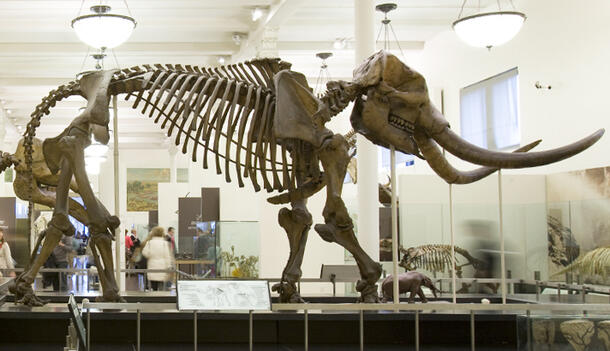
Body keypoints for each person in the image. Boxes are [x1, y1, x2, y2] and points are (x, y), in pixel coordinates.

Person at [142, 226, 174, 291]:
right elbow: (167, 257)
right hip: (162, 268)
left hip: (152, 267)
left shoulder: (149, 243)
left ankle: (153, 298)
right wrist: (169, 266)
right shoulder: (165, 243)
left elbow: (145, 253)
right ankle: (160, 299)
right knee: (161, 287)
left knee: (153, 287)